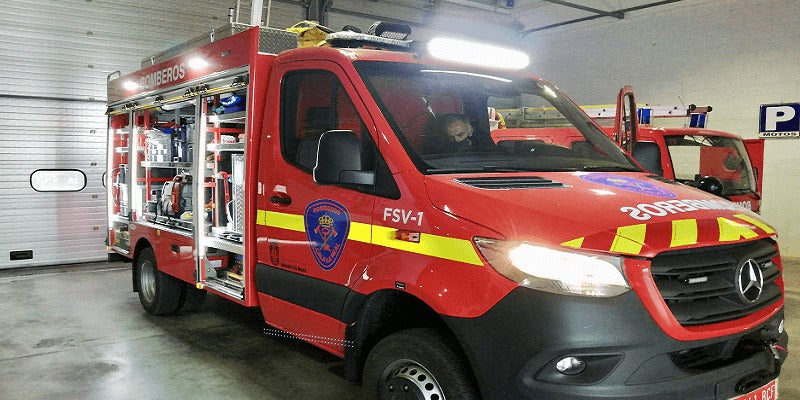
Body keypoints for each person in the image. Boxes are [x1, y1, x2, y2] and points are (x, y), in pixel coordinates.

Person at [423, 113, 490, 154]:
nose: (456, 140)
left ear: (470, 131)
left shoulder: (483, 145)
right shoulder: (436, 151)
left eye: (461, 135)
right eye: (450, 137)